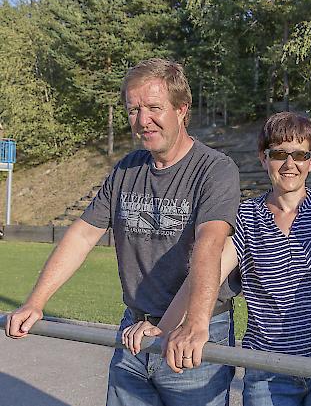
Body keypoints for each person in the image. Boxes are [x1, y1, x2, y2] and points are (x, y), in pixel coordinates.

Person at [5, 58, 241, 406]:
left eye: (154, 108)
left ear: (182, 109)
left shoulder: (214, 169)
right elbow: (82, 236)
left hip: (193, 334)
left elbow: (210, 247)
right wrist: (35, 302)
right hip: (133, 330)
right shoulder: (127, 170)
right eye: (134, 110)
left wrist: (192, 323)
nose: (143, 121)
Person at [122, 111, 311, 406]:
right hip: (267, 372)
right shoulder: (245, 216)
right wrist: (164, 328)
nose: (290, 164)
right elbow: (204, 275)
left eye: (300, 155)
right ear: (263, 158)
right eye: (279, 154)